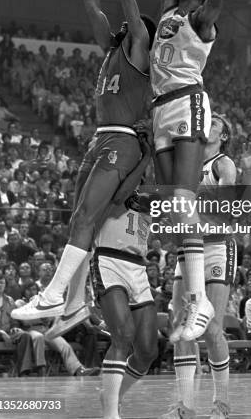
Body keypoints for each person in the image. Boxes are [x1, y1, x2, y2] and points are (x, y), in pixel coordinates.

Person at [11, 0, 154, 327]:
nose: (123, 24)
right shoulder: (111, 50)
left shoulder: (140, 48)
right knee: (79, 220)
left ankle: (54, 295)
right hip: (99, 140)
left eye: (131, 23)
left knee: (87, 216)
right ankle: (74, 304)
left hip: (122, 142)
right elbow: (94, 9)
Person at [144, 0, 223, 341]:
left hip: (187, 100)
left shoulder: (202, 19)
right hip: (159, 109)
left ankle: (200, 299)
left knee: (182, 196)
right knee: (174, 211)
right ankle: (197, 298)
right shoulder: (167, 11)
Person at [160, 113, 236, 419]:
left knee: (213, 329)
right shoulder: (187, 165)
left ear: (224, 135)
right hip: (188, 249)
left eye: (216, 122)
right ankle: (186, 408)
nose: (209, 123)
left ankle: (222, 406)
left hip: (217, 247)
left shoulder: (223, 163)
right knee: (180, 326)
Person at [91, 131, 158, 419]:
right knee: (123, 335)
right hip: (109, 260)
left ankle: (111, 395)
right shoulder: (108, 183)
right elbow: (120, 195)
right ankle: (110, 414)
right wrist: (147, 157)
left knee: (147, 351)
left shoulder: (147, 195)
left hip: (138, 268)